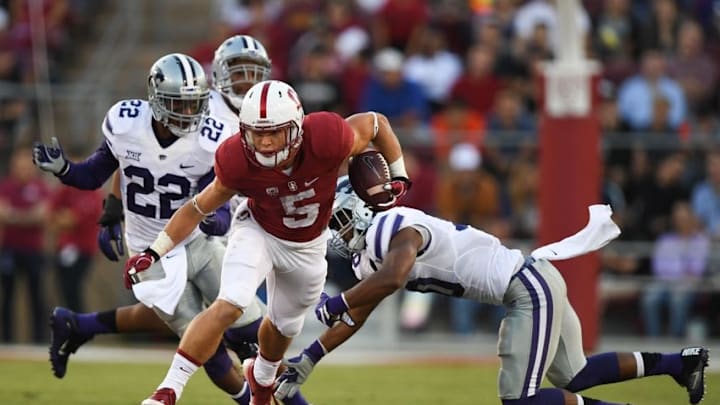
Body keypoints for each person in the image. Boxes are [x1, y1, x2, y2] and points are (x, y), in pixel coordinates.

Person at [274, 178, 709, 405]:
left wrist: (342, 300)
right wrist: (309, 358)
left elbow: (391, 277)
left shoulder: (393, 225)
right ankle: (679, 363)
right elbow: (362, 311)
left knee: (520, 401)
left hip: (526, 288)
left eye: (335, 221)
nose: (332, 232)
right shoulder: (366, 256)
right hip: (532, 281)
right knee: (572, 376)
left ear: (358, 209)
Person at [126, 79, 410, 405]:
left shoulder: (328, 137)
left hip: (308, 246)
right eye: (256, 133)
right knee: (231, 302)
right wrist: (154, 250)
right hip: (258, 230)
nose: (265, 142)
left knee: (284, 327)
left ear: (297, 127)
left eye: (274, 132)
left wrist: (399, 176)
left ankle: (260, 384)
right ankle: (168, 390)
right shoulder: (236, 158)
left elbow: (377, 123)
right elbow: (198, 206)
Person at [32, 53, 278, 405]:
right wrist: (64, 170)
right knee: (205, 345)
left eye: (195, 105)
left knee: (252, 326)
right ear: (157, 99)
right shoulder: (127, 124)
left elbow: (219, 204)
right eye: (180, 104)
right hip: (151, 253)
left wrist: (214, 220)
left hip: (199, 243)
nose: (189, 114)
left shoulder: (209, 138)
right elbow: (94, 174)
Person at [0, 146, 51, 343]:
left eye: (26, 166)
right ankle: (7, 341)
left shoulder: (41, 187)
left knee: (37, 296)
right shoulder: (6, 186)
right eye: (18, 166)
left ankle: (39, 340)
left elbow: (43, 213)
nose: (22, 170)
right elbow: (3, 213)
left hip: (34, 250)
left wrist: (15, 216)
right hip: (10, 249)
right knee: (8, 296)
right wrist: (27, 216)